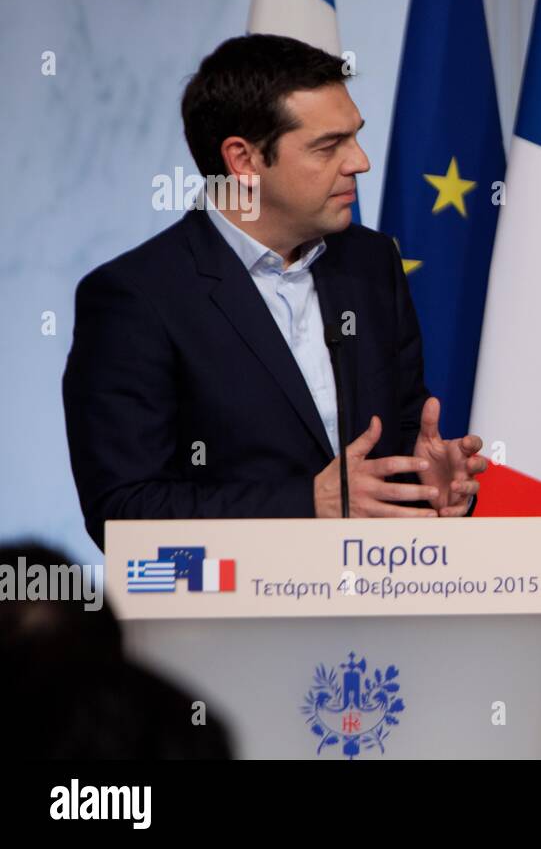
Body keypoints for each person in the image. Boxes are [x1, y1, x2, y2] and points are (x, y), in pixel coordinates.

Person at [63, 34, 487, 550]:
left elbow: (390, 454)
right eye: (329, 146)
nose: (360, 162)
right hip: (228, 621)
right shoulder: (136, 298)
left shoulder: (372, 264)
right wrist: (307, 504)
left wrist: (428, 485)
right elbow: (123, 511)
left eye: (355, 136)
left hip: (381, 610)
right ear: (243, 160)